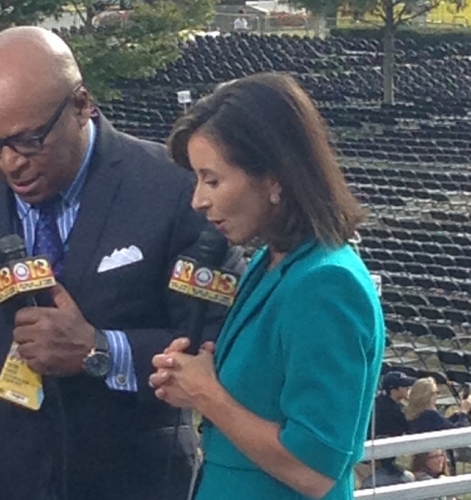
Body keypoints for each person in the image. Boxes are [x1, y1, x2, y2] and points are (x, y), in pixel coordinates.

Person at [0, 26, 222, 500]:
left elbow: (215, 340)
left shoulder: (173, 189)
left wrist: (101, 351)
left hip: (136, 482)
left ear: (82, 104)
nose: (10, 163)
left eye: (28, 141)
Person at [148, 72, 385, 500]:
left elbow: (315, 469)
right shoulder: (269, 263)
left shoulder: (327, 283)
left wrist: (206, 393)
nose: (198, 200)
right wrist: (190, 383)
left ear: (275, 178)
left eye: (213, 180)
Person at [360, 370, 416, 488]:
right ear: (393, 390)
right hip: (374, 461)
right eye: (404, 385)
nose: (408, 387)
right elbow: (410, 430)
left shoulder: (377, 402)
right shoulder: (393, 410)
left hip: (365, 458)